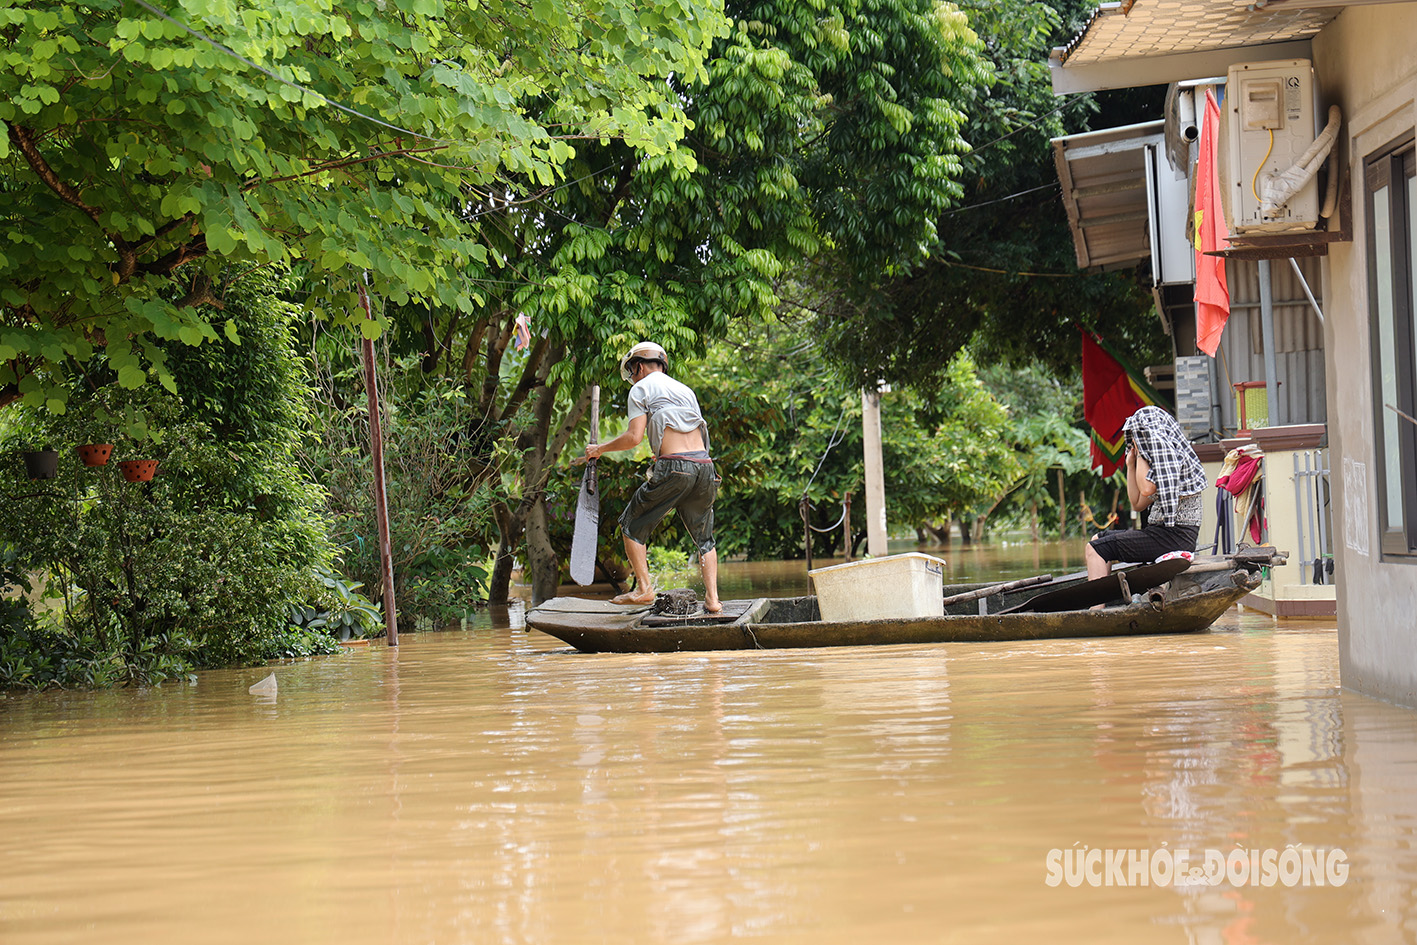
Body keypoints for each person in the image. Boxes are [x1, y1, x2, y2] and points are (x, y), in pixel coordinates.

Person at [577, 341, 721, 613]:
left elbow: (634, 438)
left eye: (631, 372)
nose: (632, 377)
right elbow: (698, 432)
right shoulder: (686, 390)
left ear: (639, 366)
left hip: (675, 466)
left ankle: (643, 589)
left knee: (630, 524)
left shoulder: (640, 388)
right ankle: (713, 600)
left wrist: (599, 449)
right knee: (705, 539)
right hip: (705, 467)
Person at [1084, 405, 1208, 580]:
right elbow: (1137, 503)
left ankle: (1097, 606)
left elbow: (1147, 488)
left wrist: (1141, 453)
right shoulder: (1161, 469)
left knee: (1095, 548)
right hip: (1163, 534)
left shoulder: (1173, 463)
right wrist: (1130, 465)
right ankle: (1104, 598)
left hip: (1174, 536)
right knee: (1098, 539)